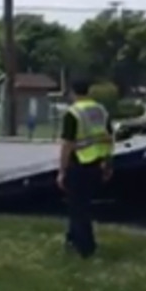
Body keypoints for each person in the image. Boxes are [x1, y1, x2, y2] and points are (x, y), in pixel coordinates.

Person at [56, 80, 114, 258]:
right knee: (82, 205)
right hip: (97, 163)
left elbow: (68, 145)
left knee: (78, 209)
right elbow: (109, 138)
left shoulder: (73, 113)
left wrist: (62, 170)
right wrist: (108, 163)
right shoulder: (101, 110)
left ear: (73, 92)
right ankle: (72, 240)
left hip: (78, 164)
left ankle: (86, 248)